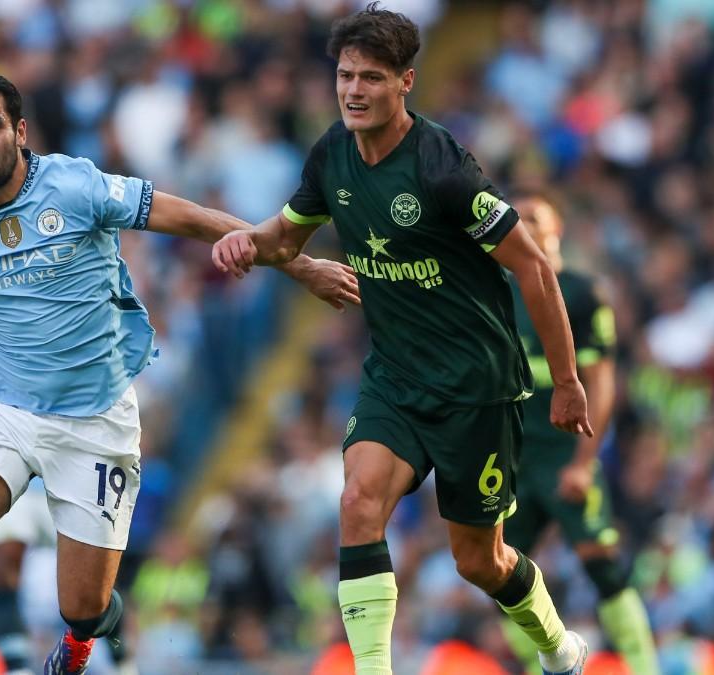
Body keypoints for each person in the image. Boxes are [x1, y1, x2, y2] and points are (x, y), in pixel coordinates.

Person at [0, 72, 360, 675]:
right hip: (6, 407)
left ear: (19, 131)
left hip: (95, 421)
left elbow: (193, 219)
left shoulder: (75, 184)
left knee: (82, 607)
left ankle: (93, 638)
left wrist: (302, 268)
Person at [211, 5, 592, 674]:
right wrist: (250, 241)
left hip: (477, 386)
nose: (354, 91)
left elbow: (532, 264)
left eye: (372, 78)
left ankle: (559, 645)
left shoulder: (442, 166)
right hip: (395, 375)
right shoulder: (332, 153)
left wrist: (565, 379)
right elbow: (287, 235)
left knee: (480, 559)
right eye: (346, 76)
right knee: (358, 499)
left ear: (406, 82)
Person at [500, 193, 659, 675]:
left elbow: (602, 384)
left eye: (534, 218)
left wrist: (583, 463)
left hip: (563, 454)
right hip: (512, 459)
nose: (524, 226)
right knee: (496, 573)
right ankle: (548, 662)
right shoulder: (498, 292)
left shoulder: (583, 292)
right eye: (516, 219)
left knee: (600, 561)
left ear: (557, 229)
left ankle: (643, 666)